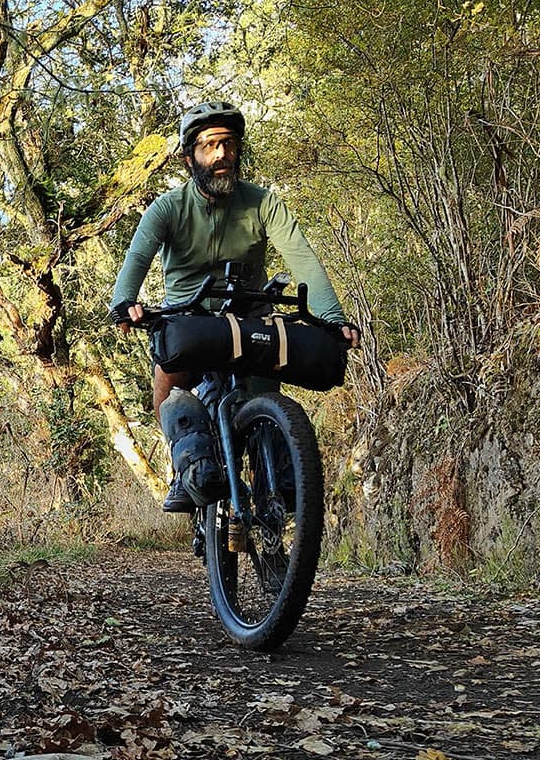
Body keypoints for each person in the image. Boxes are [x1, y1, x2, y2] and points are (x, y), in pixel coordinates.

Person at [110, 100, 360, 512]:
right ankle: (184, 468)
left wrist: (333, 320)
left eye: (228, 144)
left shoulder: (263, 204)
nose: (221, 154)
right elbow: (136, 259)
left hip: (249, 317)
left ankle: (279, 490)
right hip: (187, 319)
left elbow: (303, 259)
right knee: (168, 382)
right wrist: (125, 303)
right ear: (190, 156)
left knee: (267, 389)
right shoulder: (168, 208)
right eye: (209, 145)